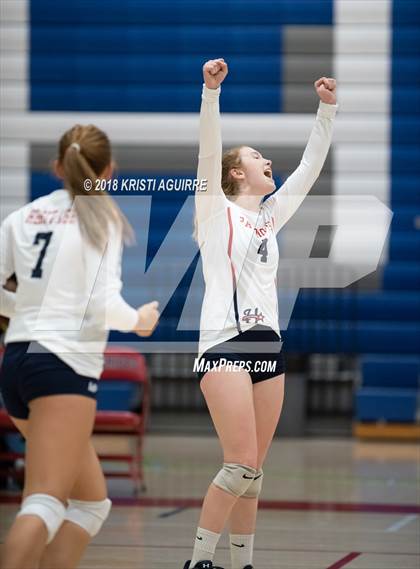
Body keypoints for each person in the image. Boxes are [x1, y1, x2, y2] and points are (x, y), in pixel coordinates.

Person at [186, 59, 338, 569]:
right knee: (239, 464)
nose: (267, 161)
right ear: (235, 173)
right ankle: (198, 561)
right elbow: (209, 151)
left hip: (267, 347)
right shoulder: (214, 208)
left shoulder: (269, 217)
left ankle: (243, 563)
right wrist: (211, 94)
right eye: (256, 157)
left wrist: (326, 110)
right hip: (224, 344)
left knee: (255, 472)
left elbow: (310, 170)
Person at [0, 124, 160, 569]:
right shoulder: (102, 218)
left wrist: (27, 311)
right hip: (62, 368)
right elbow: (105, 304)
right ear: (109, 170)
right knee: (46, 501)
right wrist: (141, 321)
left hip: (17, 362)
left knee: (90, 502)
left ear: (57, 166)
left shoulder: (23, 216)